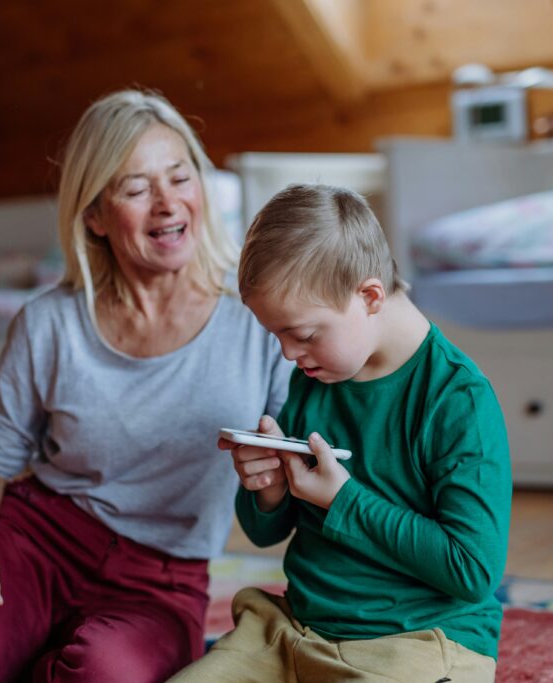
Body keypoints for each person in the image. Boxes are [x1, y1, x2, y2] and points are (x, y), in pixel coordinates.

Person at [0, 90, 292, 683]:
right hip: (38, 546)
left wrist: (272, 483)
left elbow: (294, 475)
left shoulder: (258, 319)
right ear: (94, 215)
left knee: (101, 676)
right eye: (135, 188)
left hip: (160, 580)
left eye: (180, 177)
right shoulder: (47, 324)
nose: (167, 203)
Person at [170, 184, 512, 683]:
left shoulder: (458, 400)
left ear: (369, 296)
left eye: (303, 334)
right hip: (295, 631)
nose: (288, 354)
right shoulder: (313, 378)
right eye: (277, 335)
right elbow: (269, 532)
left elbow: (473, 570)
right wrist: (268, 490)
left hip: (418, 640)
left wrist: (344, 499)